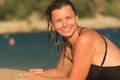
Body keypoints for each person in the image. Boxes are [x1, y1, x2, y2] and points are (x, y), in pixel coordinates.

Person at [13, 0, 120, 80]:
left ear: (76, 18)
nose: (65, 24)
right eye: (59, 20)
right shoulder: (70, 44)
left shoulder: (85, 38)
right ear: (52, 24)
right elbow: (60, 72)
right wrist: (39, 74)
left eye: (68, 18)